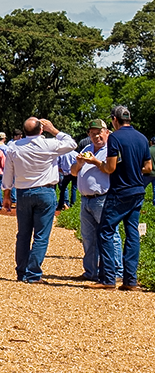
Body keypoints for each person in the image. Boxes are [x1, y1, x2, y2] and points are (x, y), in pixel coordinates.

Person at [2, 117, 76, 284]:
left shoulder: (13, 147)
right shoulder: (49, 144)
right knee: (41, 235)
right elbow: (72, 144)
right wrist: (53, 129)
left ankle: (21, 272)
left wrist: (7, 194)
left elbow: (8, 172)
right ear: (41, 130)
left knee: (23, 234)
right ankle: (33, 273)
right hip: (45, 191)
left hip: (23, 193)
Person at [93, 106, 151, 291]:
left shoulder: (115, 137)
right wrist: (134, 170)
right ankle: (130, 281)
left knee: (105, 231)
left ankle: (109, 279)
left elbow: (110, 168)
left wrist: (96, 163)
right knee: (132, 233)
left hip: (120, 191)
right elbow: (148, 167)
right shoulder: (142, 138)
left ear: (114, 120)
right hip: (138, 191)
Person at [72, 120, 112, 283]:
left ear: (107, 132)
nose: (96, 136)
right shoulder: (86, 149)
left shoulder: (110, 150)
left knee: (109, 236)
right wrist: (80, 163)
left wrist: (95, 161)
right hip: (86, 200)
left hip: (102, 198)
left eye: (99, 132)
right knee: (88, 238)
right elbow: (73, 172)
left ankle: (113, 271)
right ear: (89, 134)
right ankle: (91, 272)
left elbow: (110, 169)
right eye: (92, 133)